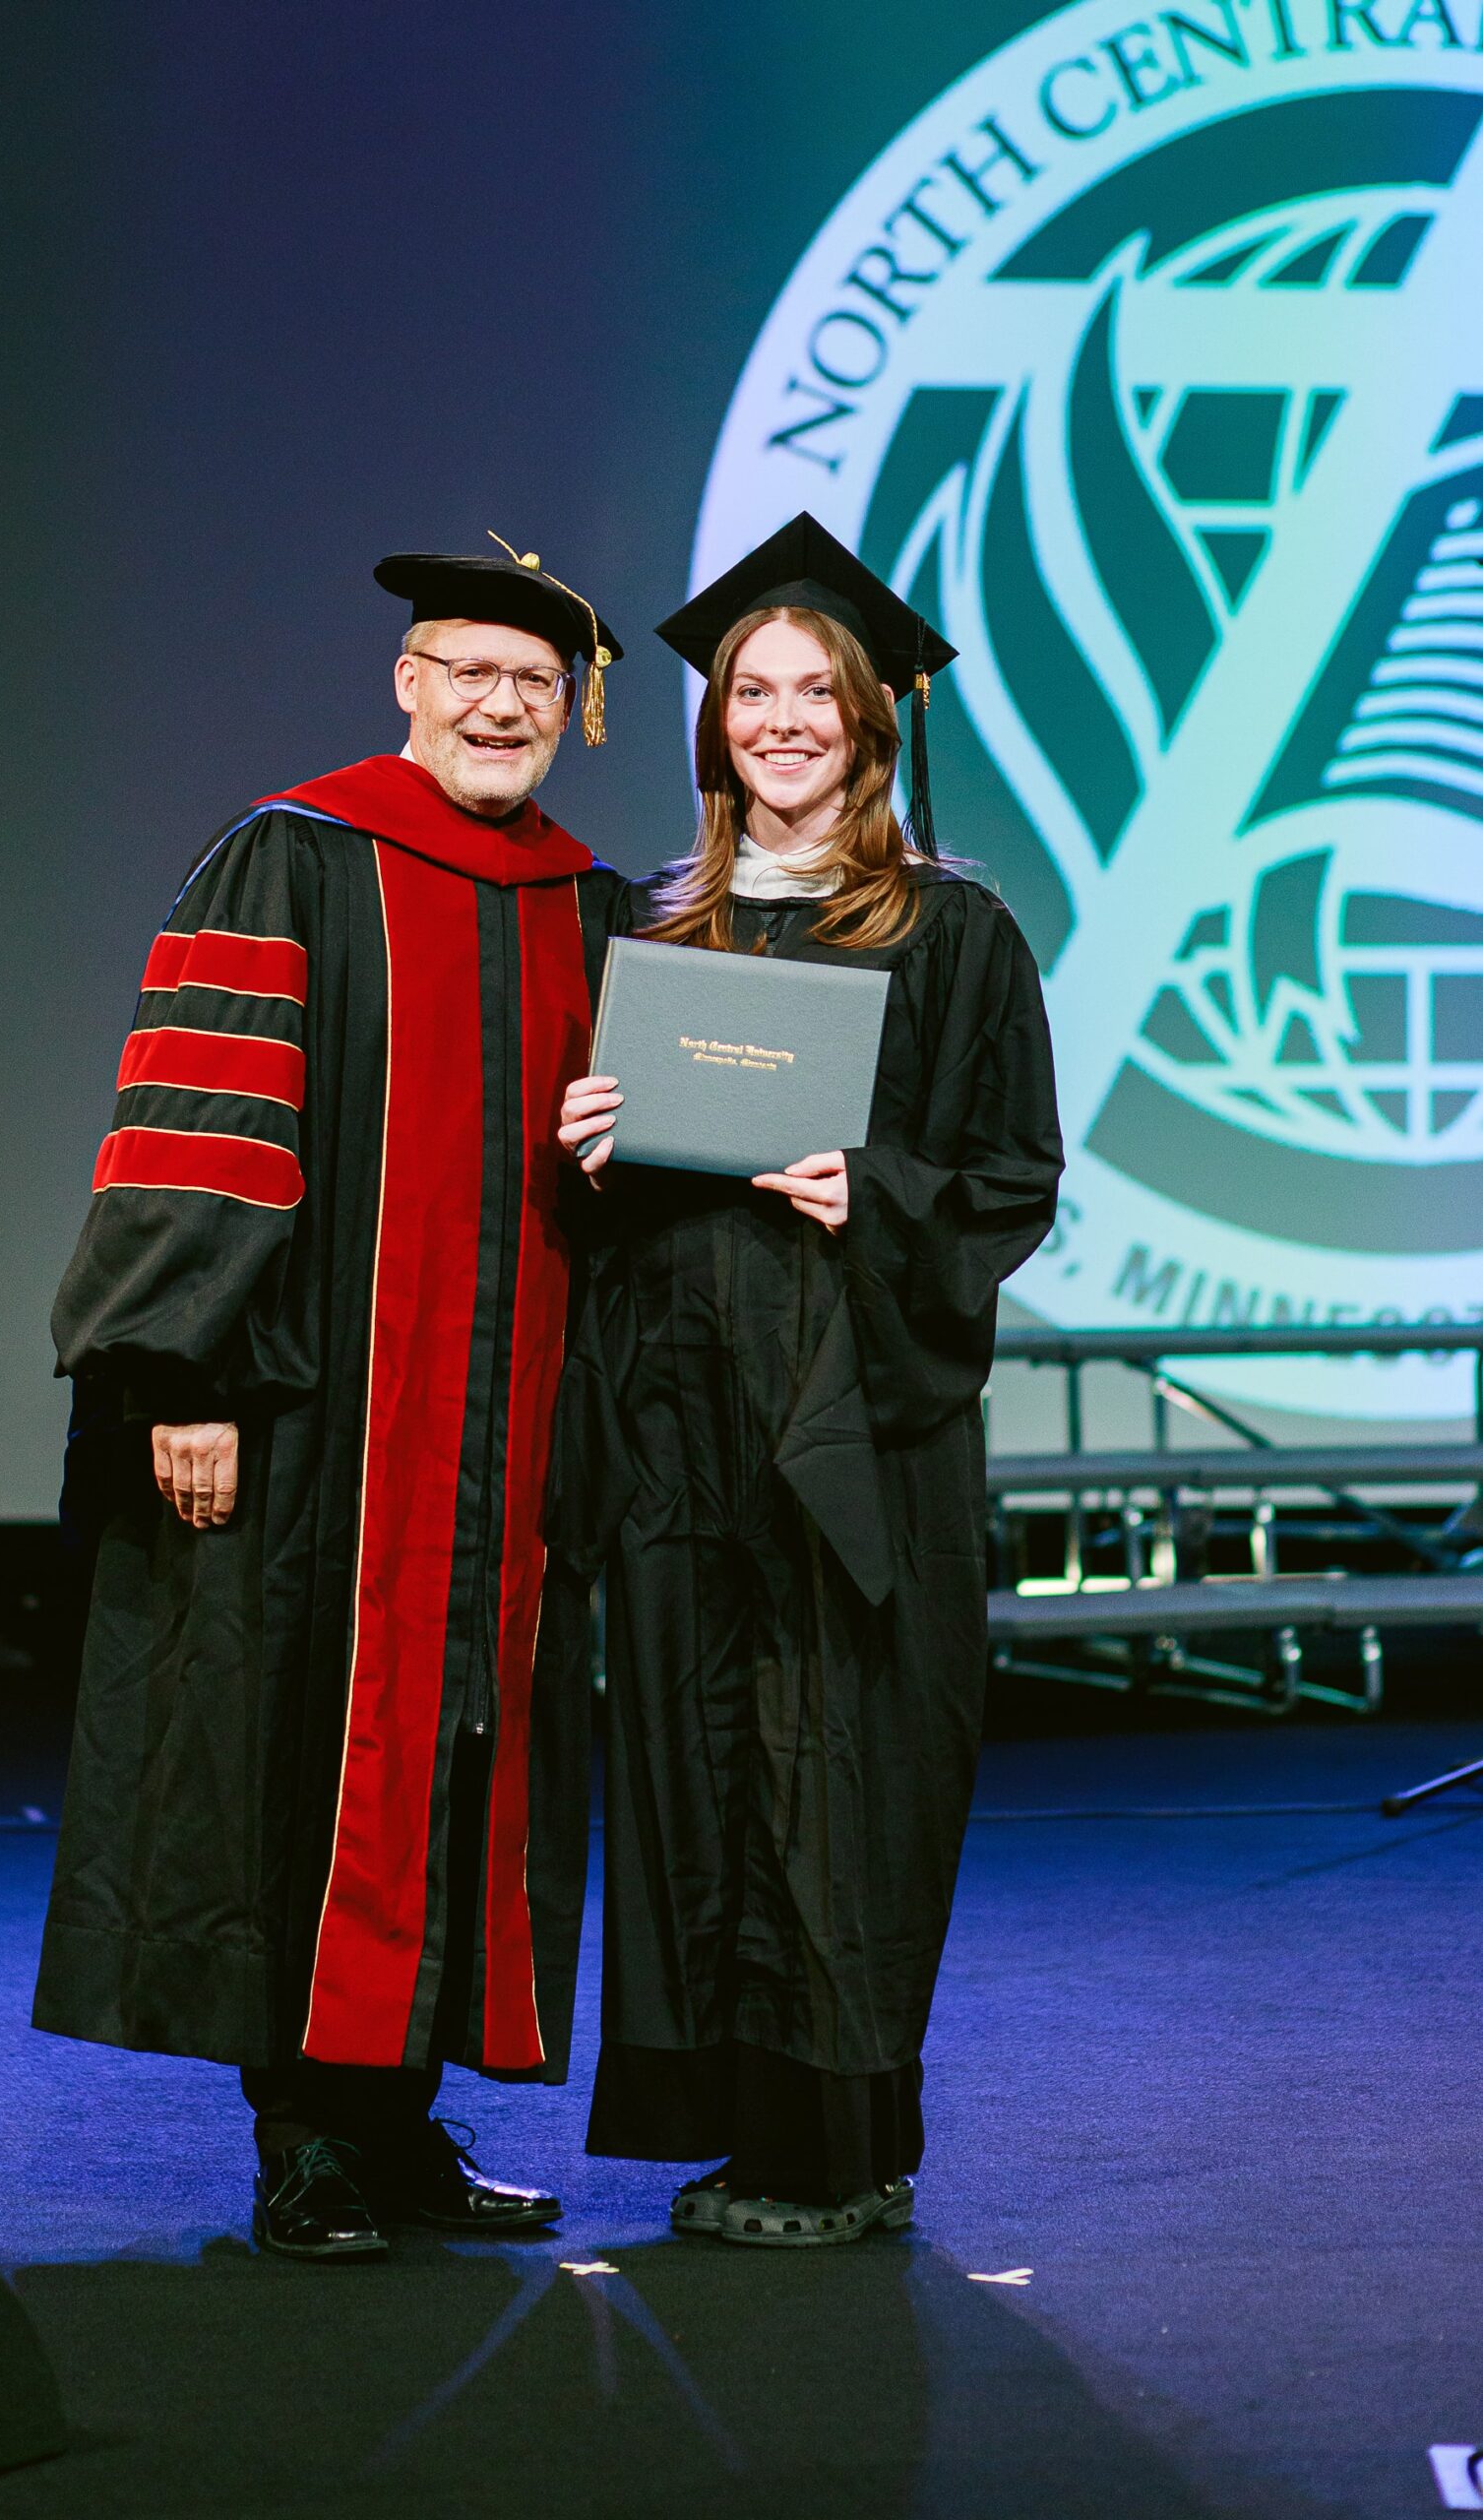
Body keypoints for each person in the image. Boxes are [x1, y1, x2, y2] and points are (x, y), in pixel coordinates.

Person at [34, 537, 625, 2260]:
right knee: (300, 1754)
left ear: (567, 713)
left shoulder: (588, 902)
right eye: (471, 671)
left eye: (535, 683)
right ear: (407, 684)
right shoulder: (293, 857)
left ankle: (400, 2122)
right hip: (319, 1426)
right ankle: (300, 2135)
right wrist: (184, 1373)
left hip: (506, 1441)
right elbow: (203, 1127)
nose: (502, 705)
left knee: (464, 1765)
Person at [554, 513, 1064, 2246]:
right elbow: (585, 1206)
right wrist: (589, 1151)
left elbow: (1012, 1180)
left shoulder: (951, 931)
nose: (778, 719)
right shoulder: (652, 923)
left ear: (870, 720)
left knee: (839, 1762)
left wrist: (880, 1193)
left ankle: (841, 2147)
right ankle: (735, 2120)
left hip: (856, 1419)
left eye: (812, 694)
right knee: (700, 1764)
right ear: (713, 727)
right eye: (748, 693)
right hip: (681, 1422)